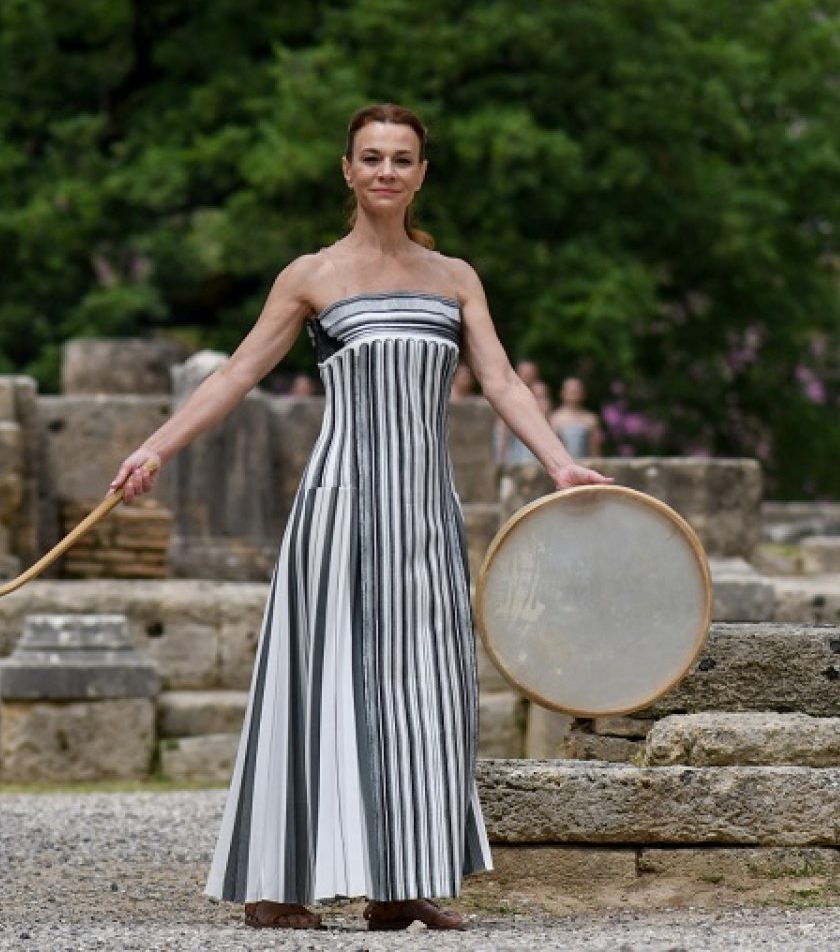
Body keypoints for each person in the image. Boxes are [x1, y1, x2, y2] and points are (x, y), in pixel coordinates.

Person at [108, 103, 611, 931]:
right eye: (371, 157)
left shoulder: (455, 278)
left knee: (427, 689)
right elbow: (235, 374)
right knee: (318, 683)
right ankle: (279, 885)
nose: (386, 171)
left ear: (421, 174)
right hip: (340, 510)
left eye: (401, 158)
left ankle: (400, 883)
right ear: (347, 169)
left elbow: (501, 381)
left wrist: (559, 463)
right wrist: (154, 448)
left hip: (426, 514)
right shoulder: (312, 275)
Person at [549, 376, 602, 458]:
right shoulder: (554, 419)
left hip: (586, 463)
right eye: (570, 391)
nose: (573, 394)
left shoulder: (591, 419)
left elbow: (595, 451)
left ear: (583, 394)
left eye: (576, 391)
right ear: (562, 393)